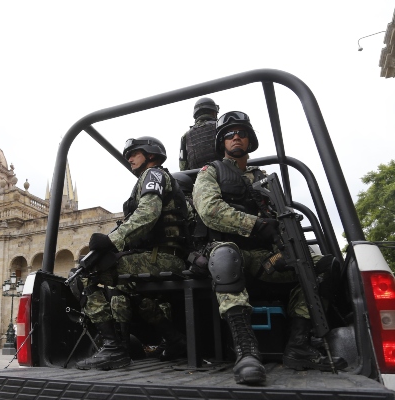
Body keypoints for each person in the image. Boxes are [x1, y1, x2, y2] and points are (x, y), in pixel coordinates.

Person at [192, 111, 346, 384]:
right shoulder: (210, 172)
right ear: (222, 143)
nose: (236, 136)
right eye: (229, 133)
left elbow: (282, 219)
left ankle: (299, 344)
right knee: (225, 254)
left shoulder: (265, 180)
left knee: (325, 265)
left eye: (242, 132)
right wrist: (256, 224)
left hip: (267, 257)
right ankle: (246, 351)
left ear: (250, 141)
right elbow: (209, 210)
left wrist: (287, 251)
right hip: (228, 254)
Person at [76, 136, 190, 371]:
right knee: (129, 291)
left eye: (134, 153)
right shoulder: (148, 180)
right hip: (160, 257)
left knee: (85, 275)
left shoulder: (154, 174)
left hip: (165, 258)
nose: (129, 158)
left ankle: (114, 348)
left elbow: (148, 213)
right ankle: (175, 340)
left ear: (150, 154)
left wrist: (111, 240)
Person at [179, 97, 221, 171]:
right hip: (223, 173)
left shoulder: (185, 136)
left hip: (197, 177)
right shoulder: (221, 126)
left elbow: (183, 166)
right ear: (213, 112)